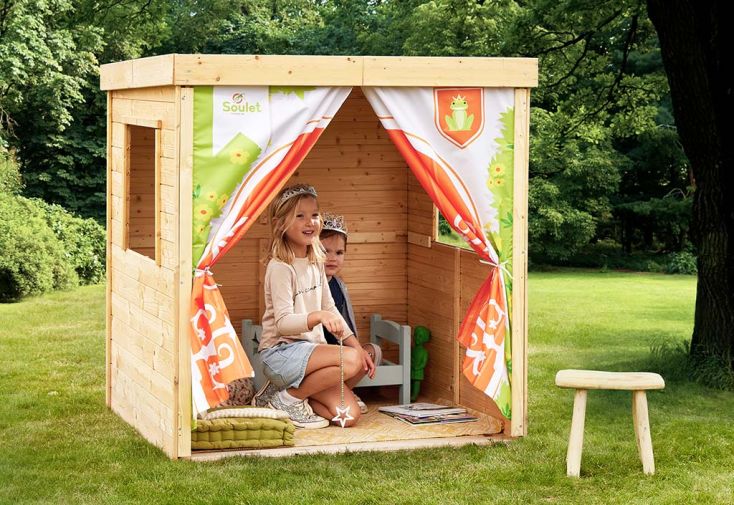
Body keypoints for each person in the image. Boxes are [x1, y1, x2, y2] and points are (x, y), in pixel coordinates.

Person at [251, 184, 376, 429]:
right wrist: (316, 317)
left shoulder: (315, 261)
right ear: (280, 223)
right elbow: (283, 322)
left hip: (310, 355)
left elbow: (330, 306)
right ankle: (289, 399)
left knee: (348, 416)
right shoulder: (280, 267)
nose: (310, 222)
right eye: (300, 216)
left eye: (315, 215)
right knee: (349, 360)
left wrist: (358, 348)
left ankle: (285, 397)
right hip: (280, 353)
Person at [320, 213, 383, 413]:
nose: (332, 258)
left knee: (372, 352)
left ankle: (344, 391)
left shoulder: (339, 285)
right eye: (325, 251)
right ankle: (334, 395)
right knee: (348, 358)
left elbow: (346, 322)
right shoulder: (311, 283)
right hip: (319, 354)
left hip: (339, 351)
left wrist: (358, 349)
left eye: (339, 253)